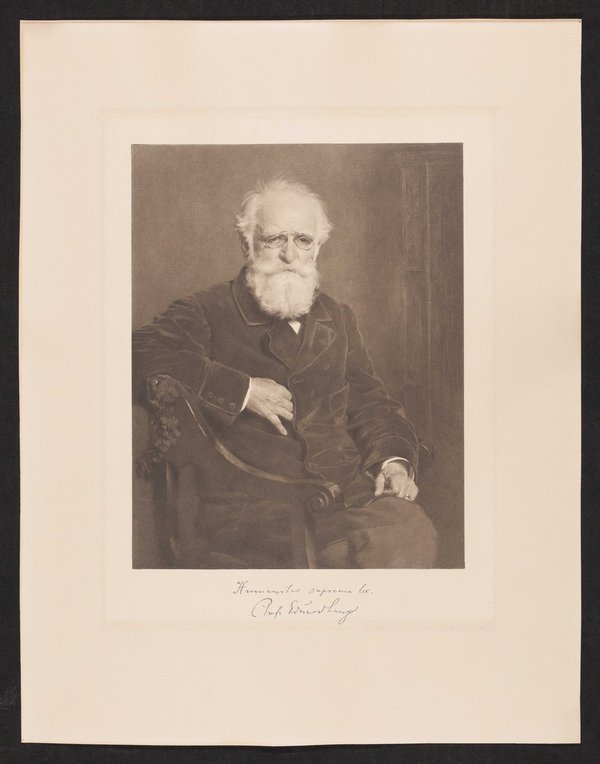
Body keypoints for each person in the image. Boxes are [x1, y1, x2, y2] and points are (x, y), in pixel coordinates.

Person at [133, 178, 437, 568]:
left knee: (409, 533)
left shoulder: (336, 317)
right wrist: (242, 390)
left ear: (318, 248)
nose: (290, 254)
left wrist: (392, 462)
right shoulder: (206, 311)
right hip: (254, 508)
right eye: (275, 239)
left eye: (303, 241)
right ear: (247, 245)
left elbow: (371, 403)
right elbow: (134, 352)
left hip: (347, 496)